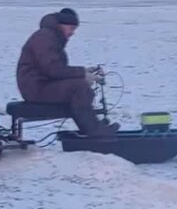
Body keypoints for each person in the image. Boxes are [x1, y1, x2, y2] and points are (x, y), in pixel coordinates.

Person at [16, 8, 119, 136]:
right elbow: (53, 69)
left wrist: (85, 72)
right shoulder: (45, 38)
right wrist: (82, 74)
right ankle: (94, 131)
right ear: (61, 25)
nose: (72, 33)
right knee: (80, 88)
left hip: (39, 85)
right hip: (36, 88)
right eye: (71, 28)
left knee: (79, 86)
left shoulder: (49, 36)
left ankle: (92, 126)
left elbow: (54, 69)